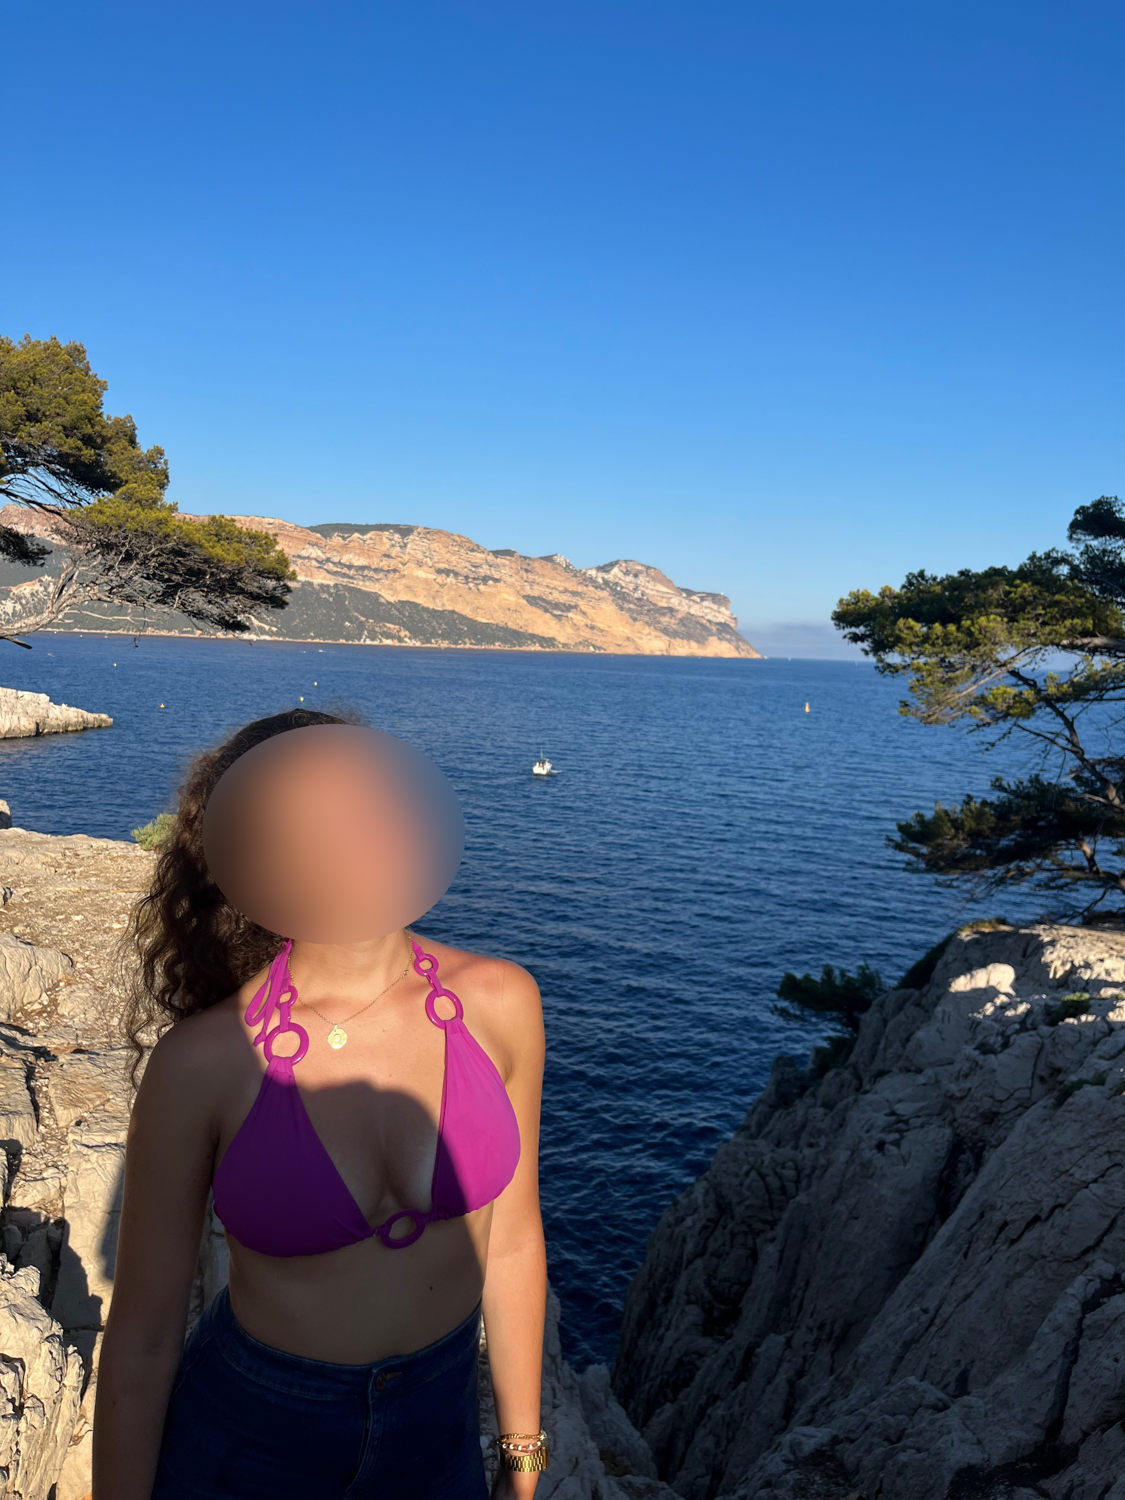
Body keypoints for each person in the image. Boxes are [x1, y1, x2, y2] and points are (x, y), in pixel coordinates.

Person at [93, 709, 548, 1500]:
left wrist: (522, 1450)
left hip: (436, 1434)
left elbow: (511, 1241)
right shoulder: (205, 1061)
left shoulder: (502, 1001)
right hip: (248, 1436)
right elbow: (144, 1336)